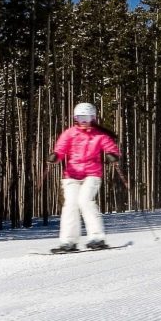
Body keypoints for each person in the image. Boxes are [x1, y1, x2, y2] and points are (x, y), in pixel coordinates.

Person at [51, 102, 122, 252]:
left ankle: (97, 238)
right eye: (80, 117)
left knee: (85, 201)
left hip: (92, 174)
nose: (83, 121)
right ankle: (68, 241)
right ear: (75, 118)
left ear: (93, 118)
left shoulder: (99, 135)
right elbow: (61, 148)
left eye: (87, 117)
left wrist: (112, 155)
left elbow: (110, 147)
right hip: (71, 175)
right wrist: (55, 156)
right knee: (70, 204)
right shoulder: (70, 133)